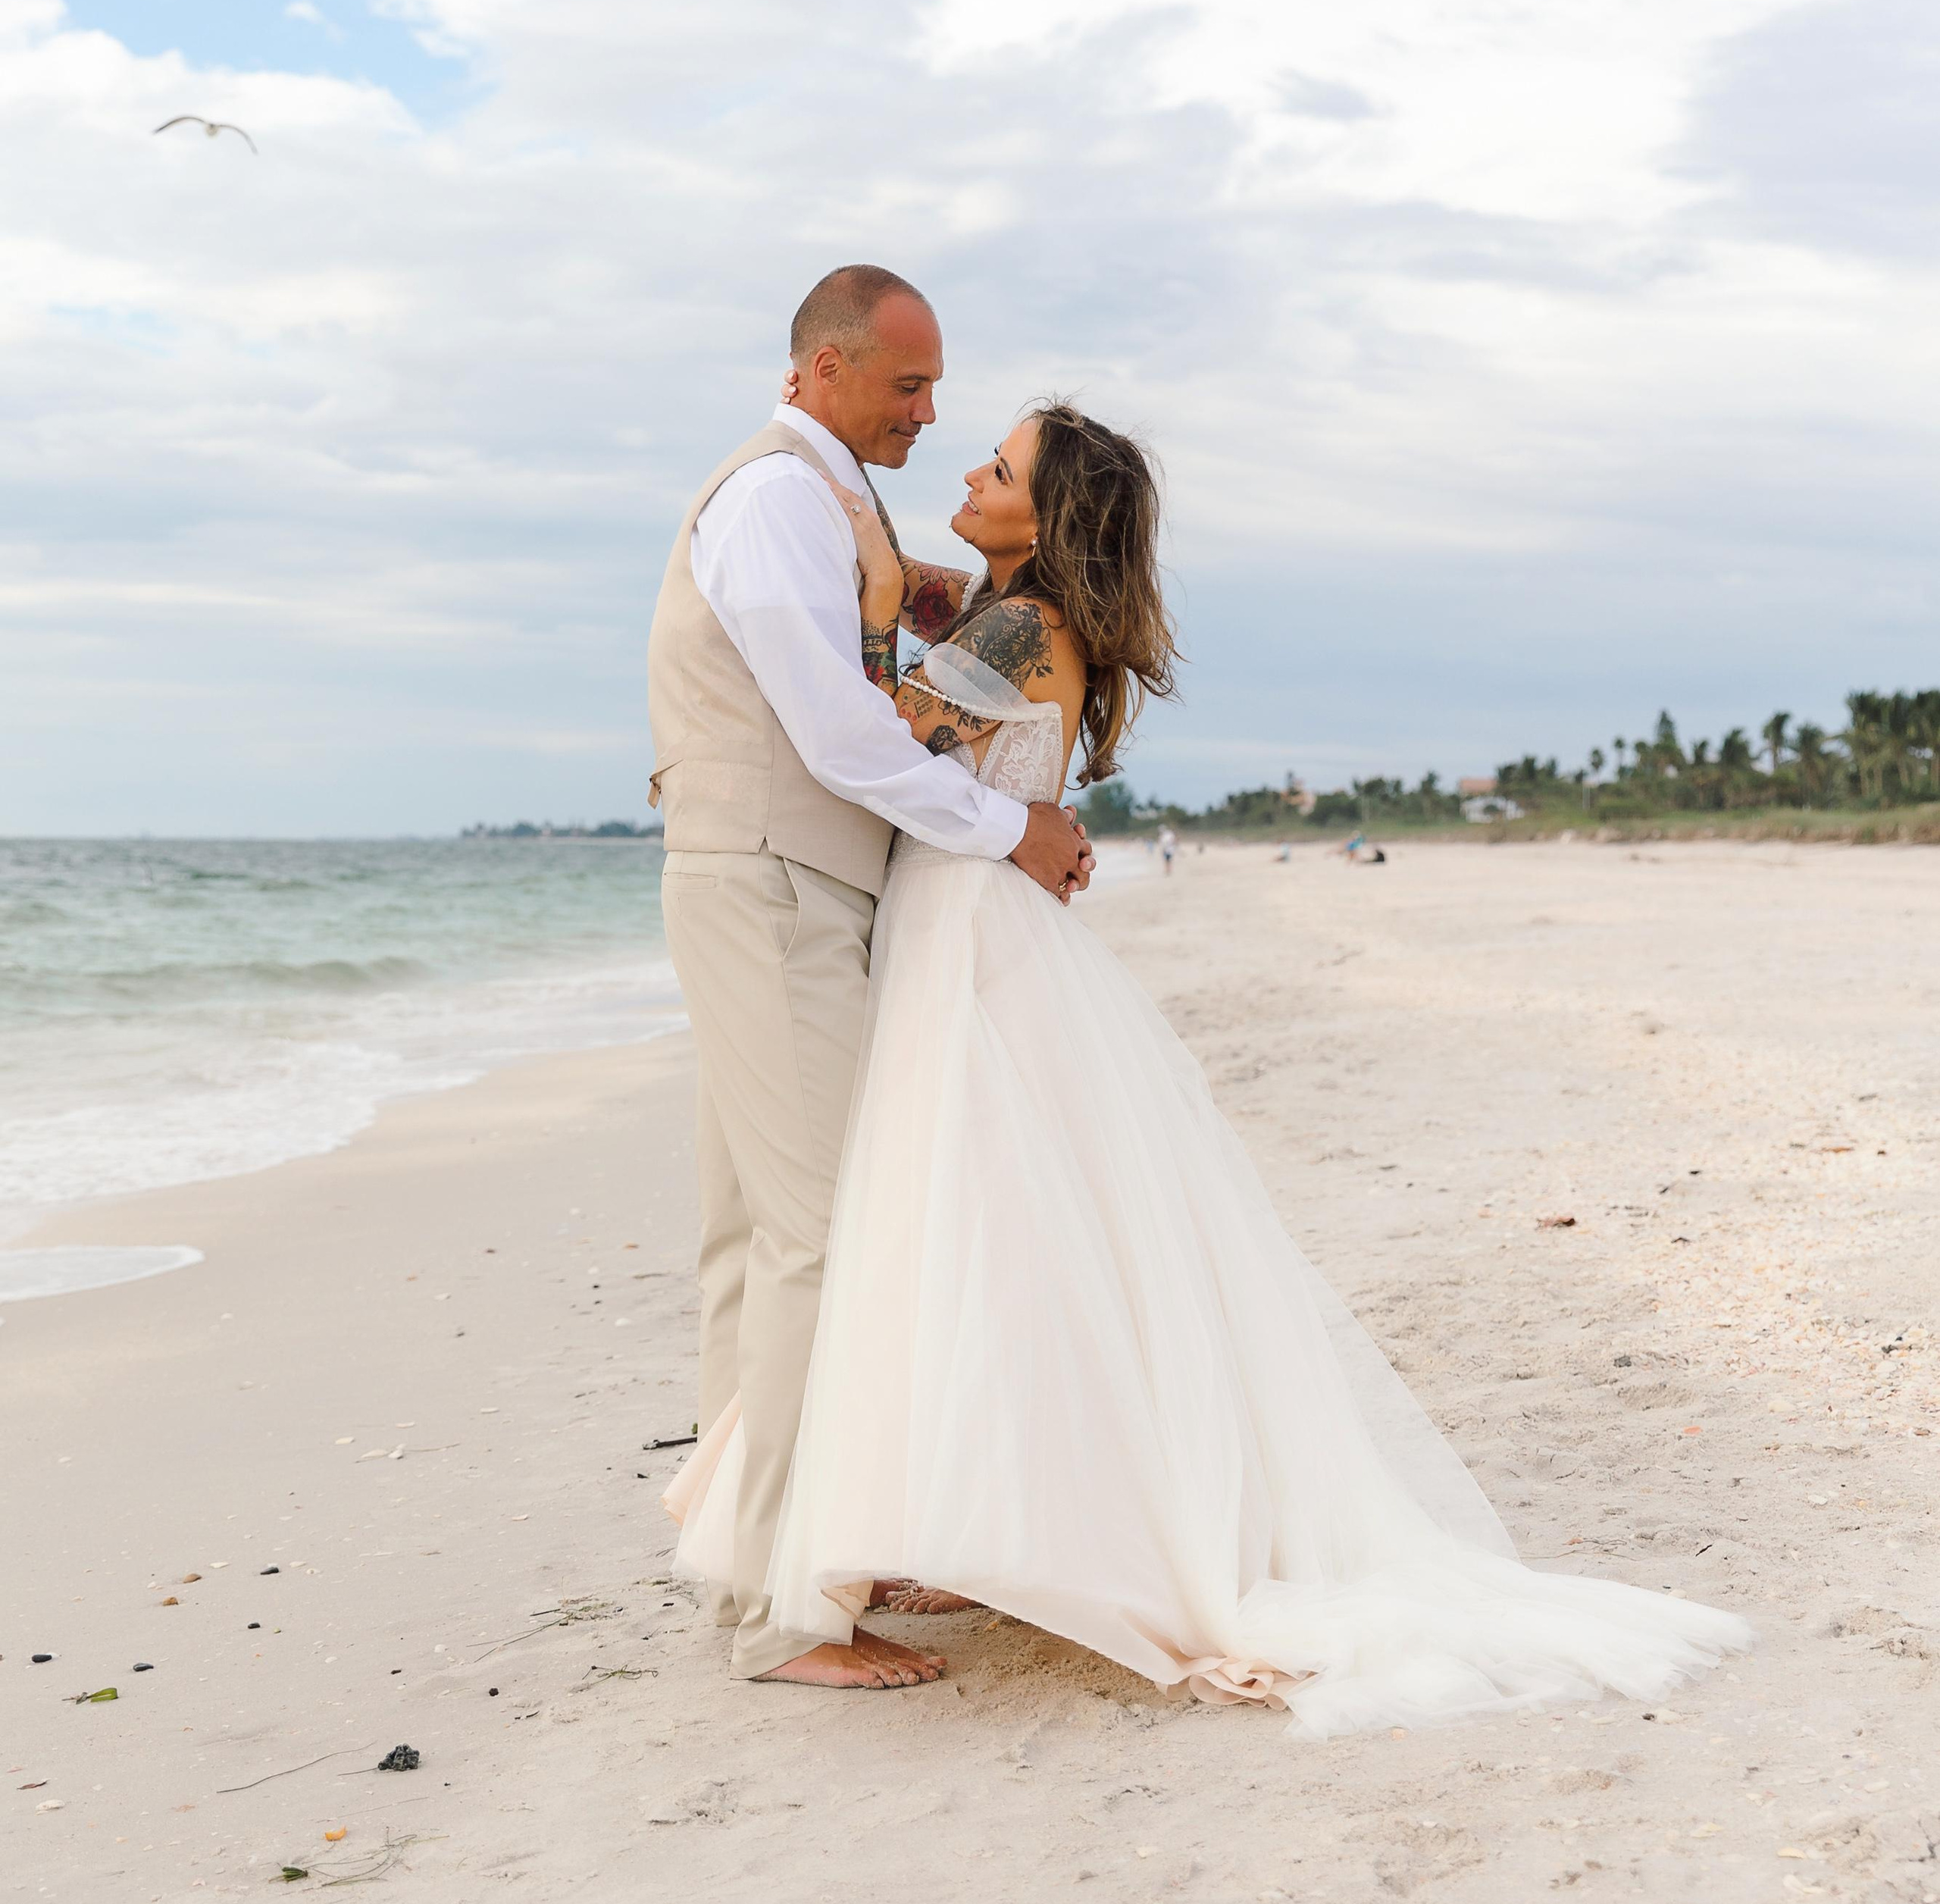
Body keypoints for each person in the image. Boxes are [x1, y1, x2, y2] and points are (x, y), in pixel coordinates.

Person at [673, 399, 1752, 1733]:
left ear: (1046, 516)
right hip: (985, 927)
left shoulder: (1016, 627)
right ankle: (966, 1519)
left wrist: (882, 610)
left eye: (998, 467)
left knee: (969, 1231)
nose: (969, 467)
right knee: (1004, 1235)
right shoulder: (1022, 624)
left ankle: (984, 1520)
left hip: (965, 936)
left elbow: (881, 737)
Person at [648, 266, 1090, 1693]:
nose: (928, 411)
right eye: (907, 386)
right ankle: (789, 1609)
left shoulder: (833, 507)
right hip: (776, 878)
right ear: (820, 370)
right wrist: (1009, 827)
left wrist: (913, 614)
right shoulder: (780, 496)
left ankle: (759, 1556)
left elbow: (853, 688)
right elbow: (840, 738)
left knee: (756, 1236)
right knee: (818, 1239)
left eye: (938, 388)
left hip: (787, 879)